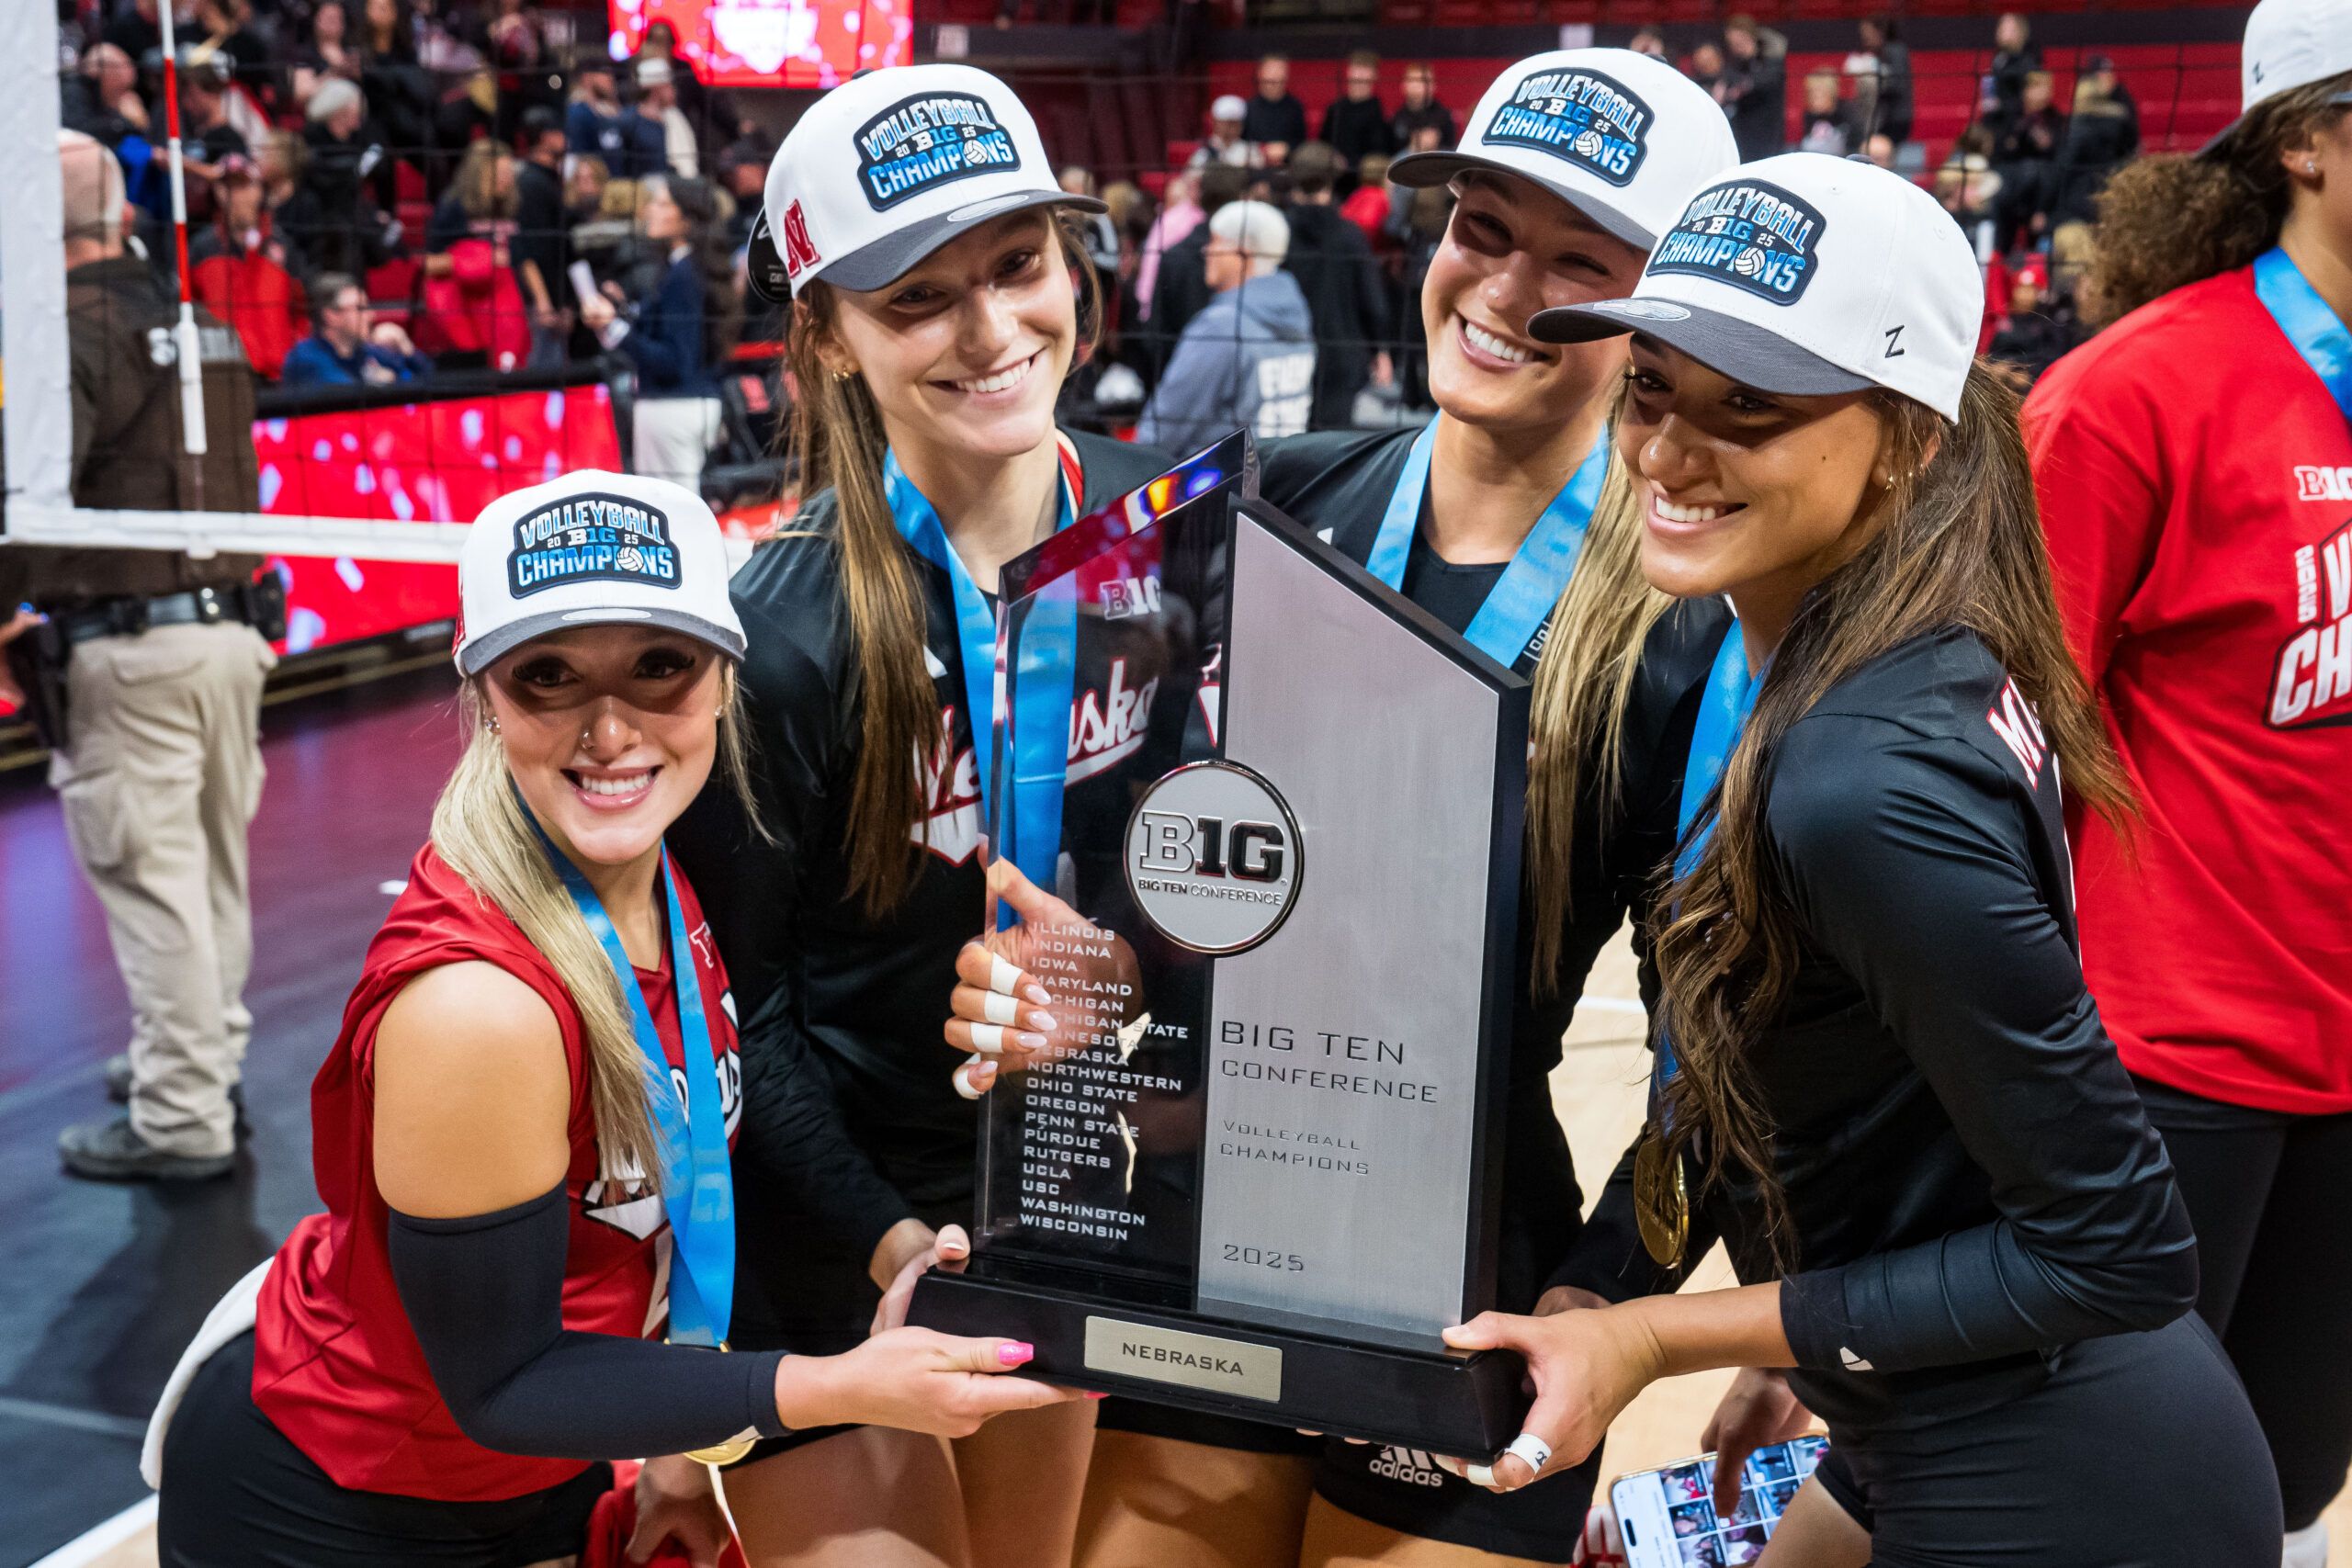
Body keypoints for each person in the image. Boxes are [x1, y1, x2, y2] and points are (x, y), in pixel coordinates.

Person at [956, 49, 1740, 1568]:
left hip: (1468, 1289)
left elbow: (1709, 1054)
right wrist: (1067, 983)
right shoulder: (1257, 502)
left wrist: (1603, 1299)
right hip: (1197, 1242)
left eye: (1582, 262)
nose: (1507, 290)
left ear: (1660, 316)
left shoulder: (1686, 625)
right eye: (1483, 229)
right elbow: (1133, 881)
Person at [1440, 152, 2280, 1567]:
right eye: (1652, 384)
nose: (1664, 450)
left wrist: (1654, 1333)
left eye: (1750, 410)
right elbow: (1846, 1090)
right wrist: (1749, 1318)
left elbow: (2118, 1247)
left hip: (2065, 1483)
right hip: (1935, 1431)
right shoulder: (1886, 668)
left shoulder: (1859, 776)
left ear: (1910, 443)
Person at [146, 470, 1077, 1565]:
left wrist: (683, 1449)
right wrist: (825, 1389)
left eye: (658, 667)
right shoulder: (478, 1008)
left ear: (725, 678)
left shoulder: (655, 876)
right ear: (484, 693)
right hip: (335, 1498)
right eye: (548, 676)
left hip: (531, 1470)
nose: (609, 729)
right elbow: (503, 1379)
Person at [664, 63, 1163, 1568]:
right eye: (919, 298)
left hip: (1066, 1181)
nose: (994, 329)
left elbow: (1209, 870)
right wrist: (899, 1251)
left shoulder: (1166, 533)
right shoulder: (786, 636)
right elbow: (742, 1019)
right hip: (841, 1238)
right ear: (824, 337)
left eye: (1018, 266)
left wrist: (1128, 975)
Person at [2024, 5, 2352, 1561]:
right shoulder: (2130, 394)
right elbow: (1994, 749)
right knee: (2121, 1498)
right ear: (2304, 138)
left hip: (2348, 1066)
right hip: (2165, 1064)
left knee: (2282, 1491)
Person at [12, 133, 272, 1183]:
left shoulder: (59, 335)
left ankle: (180, 1115)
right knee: (211, 875)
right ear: (120, 215)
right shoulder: (204, 326)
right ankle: (202, 1062)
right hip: (230, 634)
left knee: (157, 884)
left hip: (131, 651)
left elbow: (28, 503)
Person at [580, 175, 731, 491]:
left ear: (686, 218)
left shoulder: (683, 275)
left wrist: (615, 327)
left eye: (662, 204)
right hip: (691, 403)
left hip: (671, 408)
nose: (650, 210)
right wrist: (622, 312)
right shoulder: (687, 269)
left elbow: (672, 360)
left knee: (672, 520)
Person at [1135, 199, 1313, 451]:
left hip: (1214, 485)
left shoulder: (1222, 327)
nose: (1206, 250)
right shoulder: (1296, 314)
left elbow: (1162, 430)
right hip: (1277, 478)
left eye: (1215, 241)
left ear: (1242, 254)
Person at [1278, 141, 1390, 431]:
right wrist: (1380, 348)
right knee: (1332, 447)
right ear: (1332, 178)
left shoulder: (1278, 233)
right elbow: (1372, 301)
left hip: (1287, 357)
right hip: (1342, 357)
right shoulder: (1351, 236)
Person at [280, 273, 430, 385]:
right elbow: (342, 394)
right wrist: (387, 382)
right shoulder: (304, 358)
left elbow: (428, 378)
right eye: (360, 308)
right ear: (331, 315)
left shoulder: (366, 351)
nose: (371, 315)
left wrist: (406, 346)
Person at [513, 104, 572, 367]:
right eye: (561, 133)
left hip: (555, 301)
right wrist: (544, 301)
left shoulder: (548, 181)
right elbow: (529, 250)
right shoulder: (532, 184)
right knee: (543, 379)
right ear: (547, 137)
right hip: (543, 307)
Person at [1719, 17, 1786, 164]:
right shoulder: (1734, 65)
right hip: (1742, 131)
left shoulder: (1770, 59)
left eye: (1739, 41)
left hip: (1766, 129)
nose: (1736, 46)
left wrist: (1743, 87)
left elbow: (1768, 81)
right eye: (1732, 43)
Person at [1321, 51, 1397, 167]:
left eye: (1365, 69)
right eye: (1356, 68)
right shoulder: (1335, 109)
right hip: (1334, 173)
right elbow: (1323, 144)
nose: (1360, 75)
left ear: (1374, 75)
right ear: (1348, 72)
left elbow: (1380, 154)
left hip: (1366, 175)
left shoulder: (1379, 113)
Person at [634, 56, 698, 180]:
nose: (673, 91)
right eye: (668, 86)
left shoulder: (675, 116)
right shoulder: (636, 120)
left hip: (681, 183)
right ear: (655, 90)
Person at [1245, 53, 1307, 164]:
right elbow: (1240, 143)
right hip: (1255, 166)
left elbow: (1302, 142)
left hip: (1288, 166)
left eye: (1279, 75)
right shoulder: (1248, 108)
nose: (1275, 78)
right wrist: (1262, 149)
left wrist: (1287, 148)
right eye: (1271, 77)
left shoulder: (1295, 107)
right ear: (1260, 75)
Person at [1984, 12, 2042, 127]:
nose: (2002, 32)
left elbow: (2034, 103)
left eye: (2008, 28)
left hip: (2020, 125)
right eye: (2001, 27)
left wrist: (2001, 105)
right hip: (1997, 121)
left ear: (2021, 32)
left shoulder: (2030, 63)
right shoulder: (1998, 60)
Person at [1793, 69, 1862, 155]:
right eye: (1811, 94)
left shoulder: (1846, 112)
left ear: (1832, 93)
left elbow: (1856, 144)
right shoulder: (1809, 115)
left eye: (1819, 94)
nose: (1814, 99)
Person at [1391, 61, 1455, 152]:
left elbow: (1453, 150)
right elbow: (1390, 153)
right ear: (1403, 85)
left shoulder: (1444, 116)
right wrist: (1413, 146)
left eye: (1424, 81)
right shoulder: (1398, 117)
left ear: (1434, 86)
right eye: (1413, 81)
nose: (1418, 86)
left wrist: (1434, 145)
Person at [1190, 94, 1263, 172]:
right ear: (1215, 122)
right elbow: (1191, 177)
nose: (1232, 127)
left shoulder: (1250, 150)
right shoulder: (1204, 150)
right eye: (1227, 123)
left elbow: (1259, 177)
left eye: (1235, 123)